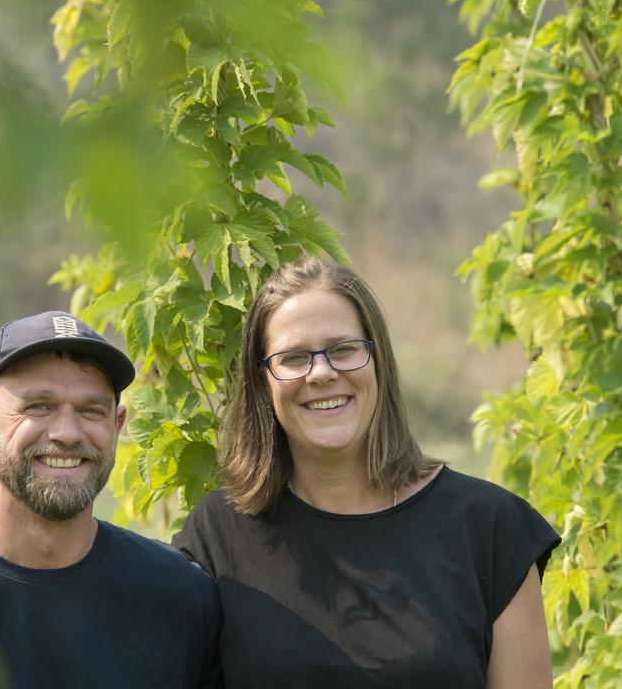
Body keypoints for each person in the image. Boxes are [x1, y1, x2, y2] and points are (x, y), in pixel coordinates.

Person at [173, 256, 560, 688]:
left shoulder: (489, 529)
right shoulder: (216, 537)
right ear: (263, 381)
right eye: (294, 358)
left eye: (343, 349)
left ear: (377, 361)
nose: (321, 373)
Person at [0, 310, 222, 688]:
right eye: (39, 406)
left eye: (91, 410)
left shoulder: (181, 597)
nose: (67, 433)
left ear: (117, 424)